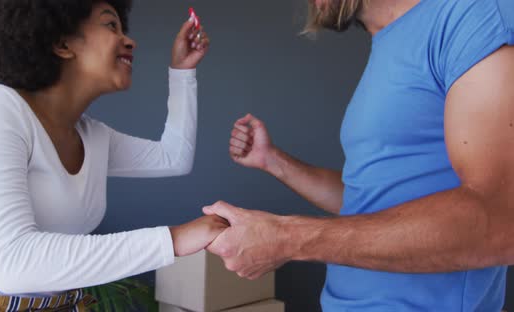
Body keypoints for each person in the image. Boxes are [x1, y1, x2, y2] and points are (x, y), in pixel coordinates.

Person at [204, 0, 514, 310]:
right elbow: (370, 201)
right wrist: (273, 161)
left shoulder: (473, 13)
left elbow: (504, 220)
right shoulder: (389, 40)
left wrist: (288, 237)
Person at [0, 0, 225, 311]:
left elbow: (173, 157)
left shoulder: (92, 136)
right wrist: (175, 239)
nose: (129, 39)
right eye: (110, 25)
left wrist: (183, 71)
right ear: (62, 43)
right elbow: (12, 263)